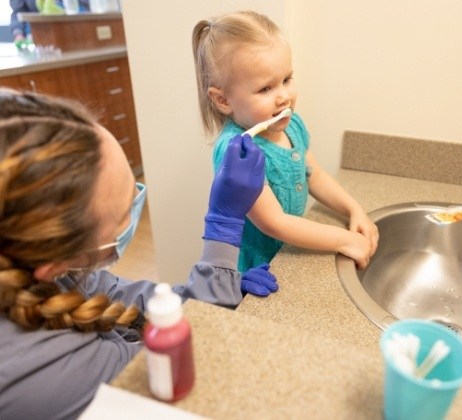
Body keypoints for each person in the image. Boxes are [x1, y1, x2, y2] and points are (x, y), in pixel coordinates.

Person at [0, 88, 276, 419]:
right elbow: (180, 366)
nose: (134, 215)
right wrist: (224, 225)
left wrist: (222, 279)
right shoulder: (42, 376)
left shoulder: (64, 275)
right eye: (121, 217)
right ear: (52, 260)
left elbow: (153, 307)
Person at [192, 11, 379, 274]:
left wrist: (354, 209)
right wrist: (345, 240)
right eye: (266, 89)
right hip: (258, 269)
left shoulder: (293, 125)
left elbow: (315, 175)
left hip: (290, 257)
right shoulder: (237, 153)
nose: (284, 97)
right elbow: (274, 223)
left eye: (286, 80)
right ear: (223, 100)